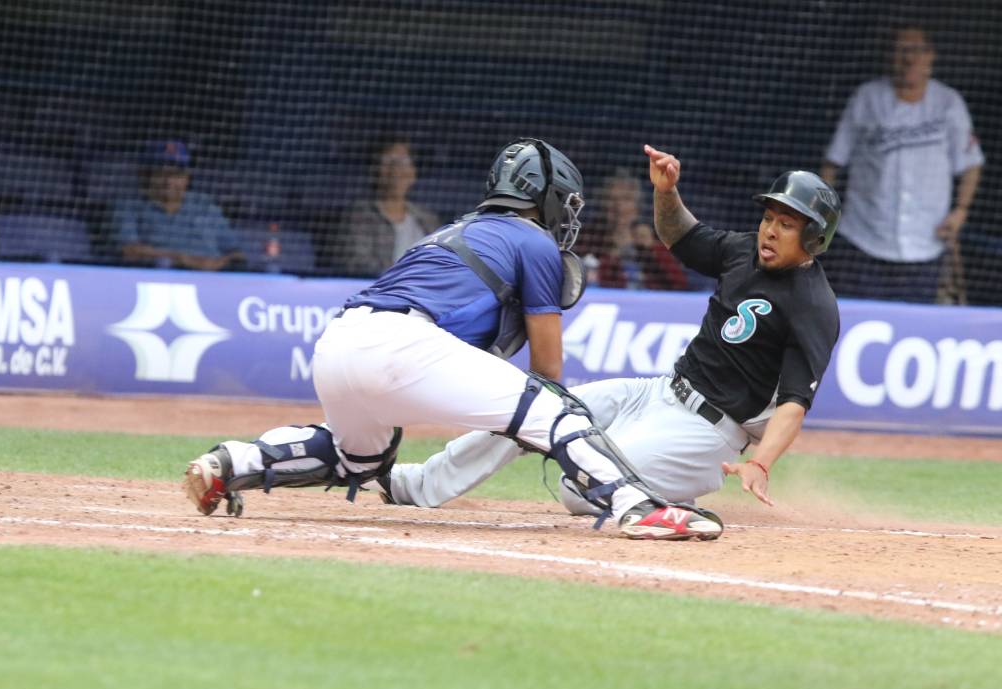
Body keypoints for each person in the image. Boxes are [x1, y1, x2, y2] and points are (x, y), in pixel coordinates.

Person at [183, 139, 724, 540]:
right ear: (544, 197)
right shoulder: (534, 241)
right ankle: (638, 507)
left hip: (340, 340)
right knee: (557, 409)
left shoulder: (449, 230)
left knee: (359, 460)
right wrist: (529, 423)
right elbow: (549, 371)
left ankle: (233, 463)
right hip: (403, 345)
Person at [377, 145, 843, 539]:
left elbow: (794, 403)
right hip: (658, 392)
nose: (770, 229)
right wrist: (667, 192)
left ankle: (669, 500)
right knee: (536, 407)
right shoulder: (742, 251)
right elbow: (680, 235)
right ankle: (417, 484)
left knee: (579, 490)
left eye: (787, 223)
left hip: (709, 433)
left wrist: (760, 464)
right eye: (769, 217)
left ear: (815, 237)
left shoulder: (813, 305)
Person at [820, 23, 985, 303]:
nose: (910, 58)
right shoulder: (867, 98)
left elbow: (971, 163)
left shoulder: (948, 102)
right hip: (863, 240)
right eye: (901, 50)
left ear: (931, 55)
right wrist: (824, 214)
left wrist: (961, 210)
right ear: (889, 56)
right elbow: (833, 161)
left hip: (926, 243)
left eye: (917, 50)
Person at [112, 140, 245, 270]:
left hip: (214, 277)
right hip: (159, 275)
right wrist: (184, 260)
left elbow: (236, 253)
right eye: (161, 174)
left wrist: (217, 264)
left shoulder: (204, 204)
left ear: (187, 178)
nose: (169, 182)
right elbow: (129, 251)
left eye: (176, 175)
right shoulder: (130, 205)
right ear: (146, 176)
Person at [332, 136, 441, 277]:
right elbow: (356, 265)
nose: (396, 171)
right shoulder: (358, 216)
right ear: (374, 171)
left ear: (413, 172)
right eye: (388, 162)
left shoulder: (427, 219)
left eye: (403, 162)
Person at [576, 170, 688, 291]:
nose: (619, 206)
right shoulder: (589, 237)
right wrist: (614, 255)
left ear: (637, 206)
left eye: (626, 199)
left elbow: (680, 284)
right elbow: (582, 280)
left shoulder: (654, 235)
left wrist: (653, 247)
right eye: (611, 199)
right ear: (603, 205)